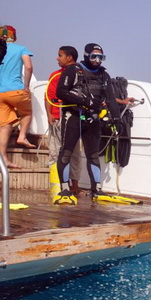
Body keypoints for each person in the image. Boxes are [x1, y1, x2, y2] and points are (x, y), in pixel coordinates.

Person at [53, 43, 120, 205]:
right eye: (93, 56)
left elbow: (110, 99)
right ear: (86, 56)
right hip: (74, 117)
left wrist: (117, 120)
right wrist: (85, 101)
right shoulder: (73, 70)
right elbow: (61, 92)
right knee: (67, 152)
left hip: (93, 119)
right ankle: (65, 189)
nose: (97, 60)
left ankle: (96, 189)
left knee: (93, 155)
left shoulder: (104, 75)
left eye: (100, 57)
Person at [45, 46, 83, 194]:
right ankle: (57, 185)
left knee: (75, 154)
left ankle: (74, 186)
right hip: (57, 118)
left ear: (69, 58)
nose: (57, 58)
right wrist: (49, 114)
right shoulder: (55, 75)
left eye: (60, 55)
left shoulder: (81, 74)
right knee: (55, 153)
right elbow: (48, 96)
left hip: (75, 119)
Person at [0, 25, 35, 169]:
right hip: (16, 90)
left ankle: (4, 160)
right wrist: (26, 86)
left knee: (5, 125)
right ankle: (22, 136)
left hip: (0, 93)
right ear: (14, 37)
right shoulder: (21, 49)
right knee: (26, 112)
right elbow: (28, 67)